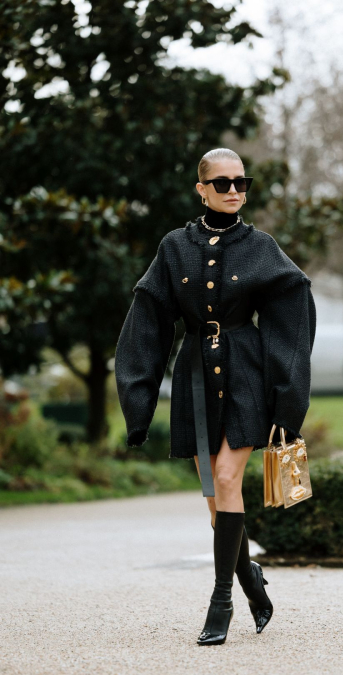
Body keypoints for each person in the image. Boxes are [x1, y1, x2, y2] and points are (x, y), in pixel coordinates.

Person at [114, 147, 316, 646]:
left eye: (240, 183)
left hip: (246, 371)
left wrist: (287, 401)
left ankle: (223, 599)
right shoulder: (174, 246)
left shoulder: (261, 246)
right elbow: (148, 319)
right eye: (222, 183)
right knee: (215, 499)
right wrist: (137, 404)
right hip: (195, 378)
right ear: (201, 188)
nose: (233, 191)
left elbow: (293, 313)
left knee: (228, 476)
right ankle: (250, 574)